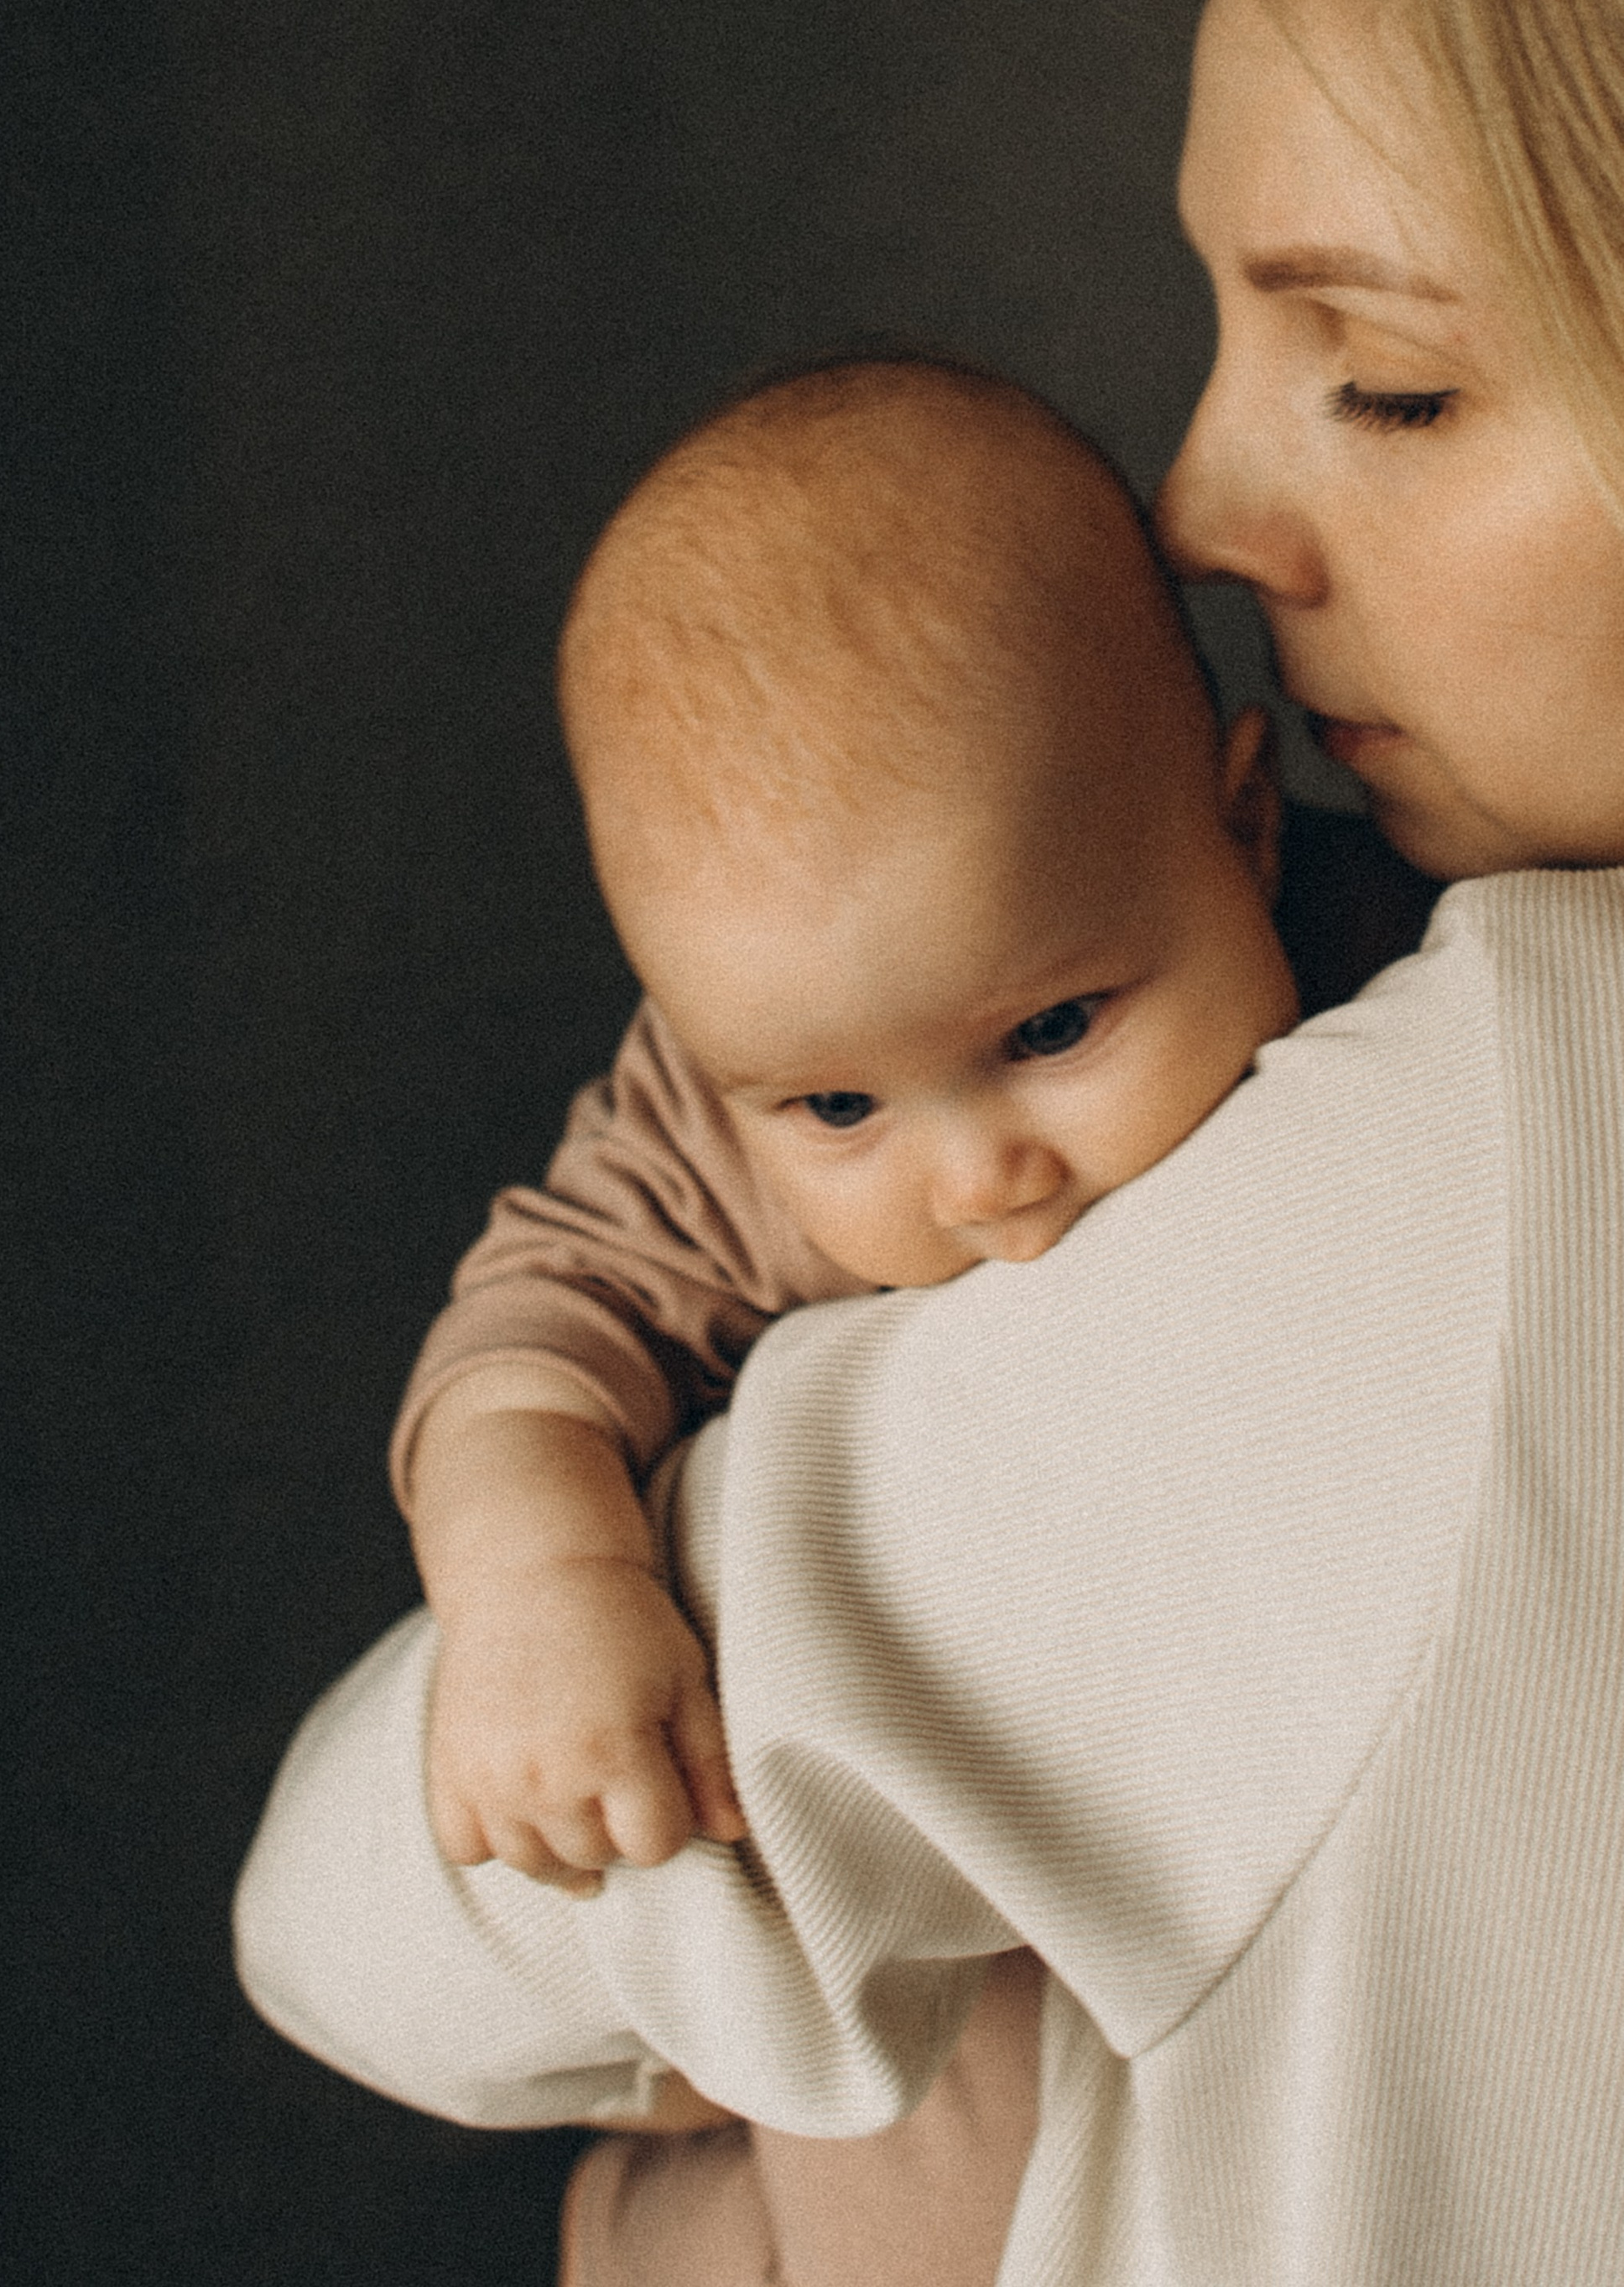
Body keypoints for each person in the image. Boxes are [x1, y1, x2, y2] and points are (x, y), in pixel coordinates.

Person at [236, 0, 1624, 2286]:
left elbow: (359, 1922)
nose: (1207, 506)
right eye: (1229, 328)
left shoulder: (1478, 1174)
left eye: (1393, 385)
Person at [400, 354, 1298, 1914]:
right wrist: (545, 1584)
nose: (977, 1179)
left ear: (1247, 834)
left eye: (1053, 1030)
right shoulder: (705, 1133)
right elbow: (531, 1343)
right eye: (835, 1109)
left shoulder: (1418, 973)